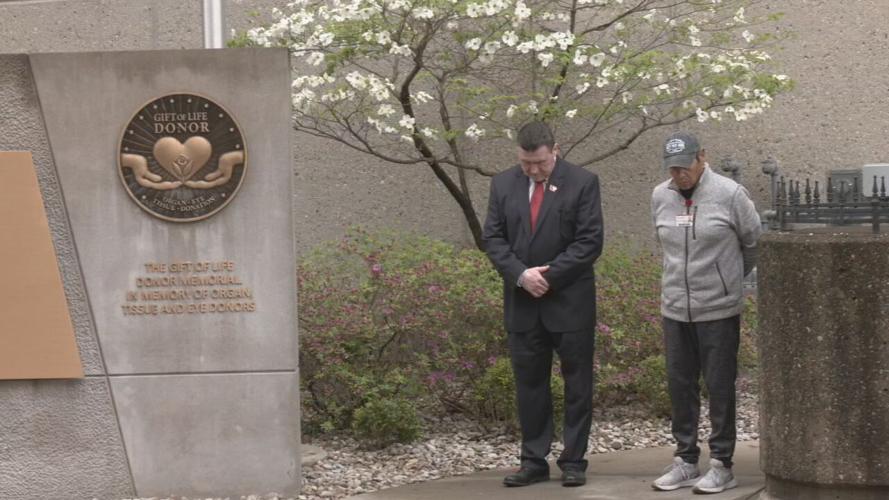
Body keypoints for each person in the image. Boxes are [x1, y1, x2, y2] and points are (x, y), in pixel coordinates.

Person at [483, 121, 604, 488]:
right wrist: (521, 275)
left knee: (577, 383)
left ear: (555, 149)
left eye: (540, 163)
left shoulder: (582, 182)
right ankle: (533, 459)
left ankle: (573, 460)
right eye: (525, 163)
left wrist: (548, 276)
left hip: (569, 302)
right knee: (529, 385)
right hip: (523, 303)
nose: (533, 170)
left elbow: (590, 242)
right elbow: (493, 238)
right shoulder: (502, 184)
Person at [650, 132, 761, 494]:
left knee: (718, 386)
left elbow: (754, 244)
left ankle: (722, 464)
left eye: (684, 167)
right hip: (675, 309)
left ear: (702, 158)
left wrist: (727, 280)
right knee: (680, 385)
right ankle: (685, 459)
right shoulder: (660, 196)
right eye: (673, 169)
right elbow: (665, 247)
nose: (679, 175)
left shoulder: (730, 194)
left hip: (718, 309)